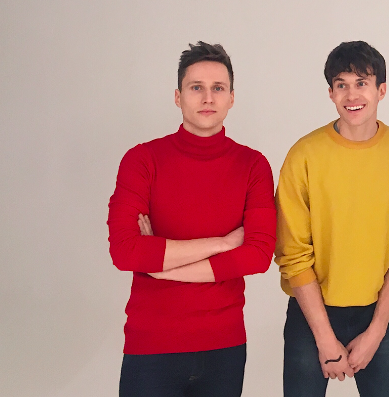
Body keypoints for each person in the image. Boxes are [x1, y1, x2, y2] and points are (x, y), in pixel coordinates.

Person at [107, 41, 276, 397]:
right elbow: (125, 251)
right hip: (151, 346)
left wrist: (160, 266)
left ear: (232, 98)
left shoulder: (253, 166)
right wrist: (223, 243)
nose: (208, 98)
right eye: (196, 87)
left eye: (218, 88)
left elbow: (258, 256)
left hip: (224, 348)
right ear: (178, 96)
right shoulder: (142, 160)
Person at [274, 40, 389, 397]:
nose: (351, 94)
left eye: (362, 83)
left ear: (381, 90)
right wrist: (324, 338)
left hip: (379, 312)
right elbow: (292, 253)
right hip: (310, 314)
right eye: (341, 84)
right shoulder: (304, 155)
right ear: (330, 93)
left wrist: (377, 330)